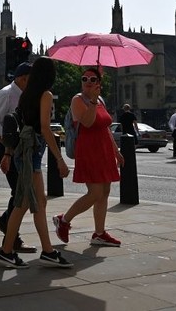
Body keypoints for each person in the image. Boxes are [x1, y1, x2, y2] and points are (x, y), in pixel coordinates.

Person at [0, 56, 71, 269]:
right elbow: (46, 129)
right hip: (32, 153)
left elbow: (17, 124)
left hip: (25, 152)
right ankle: (6, 251)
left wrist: (9, 153)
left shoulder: (26, 95)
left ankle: (47, 251)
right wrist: (60, 159)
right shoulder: (45, 95)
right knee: (23, 204)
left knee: (38, 203)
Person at [53, 67, 125, 248]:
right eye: (84, 78)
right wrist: (92, 101)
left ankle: (99, 233)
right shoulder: (78, 100)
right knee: (95, 193)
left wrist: (116, 150)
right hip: (89, 150)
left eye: (93, 79)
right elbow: (87, 122)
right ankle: (64, 220)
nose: (88, 82)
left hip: (104, 149)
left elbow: (106, 127)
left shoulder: (100, 100)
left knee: (105, 192)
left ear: (99, 83)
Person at [0, 62, 36, 254]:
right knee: (19, 193)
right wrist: (10, 143)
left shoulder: (25, 95)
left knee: (20, 192)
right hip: (7, 148)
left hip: (21, 149)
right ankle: (11, 237)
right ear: (23, 78)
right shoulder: (6, 94)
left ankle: (6, 223)